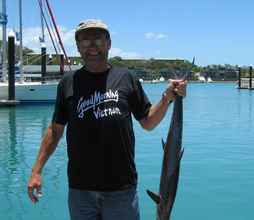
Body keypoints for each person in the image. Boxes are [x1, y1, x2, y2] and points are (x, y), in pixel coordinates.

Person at [27, 19, 187, 220]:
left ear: (109, 43)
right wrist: (36, 171)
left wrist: (167, 98)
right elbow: (55, 130)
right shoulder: (68, 82)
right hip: (80, 191)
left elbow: (148, 121)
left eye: (98, 39)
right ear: (78, 47)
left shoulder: (127, 78)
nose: (92, 45)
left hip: (121, 190)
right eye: (85, 40)